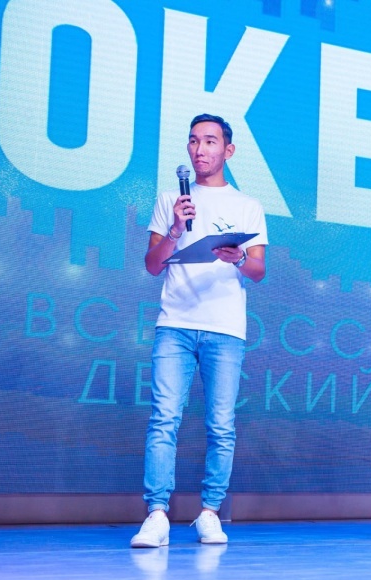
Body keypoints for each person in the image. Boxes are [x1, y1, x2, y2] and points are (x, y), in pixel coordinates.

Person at [131, 114, 268, 548]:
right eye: (193, 141)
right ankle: (156, 514)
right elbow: (153, 265)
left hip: (225, 328)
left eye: (209, 141)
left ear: (228, 150)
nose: (199, 149)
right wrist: (175, 229)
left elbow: (259, 270)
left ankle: (210, 512)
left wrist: (237, 258)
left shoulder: (248, 205)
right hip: (175, 324)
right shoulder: (170, 199)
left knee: (221, 425)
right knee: (164, 419)